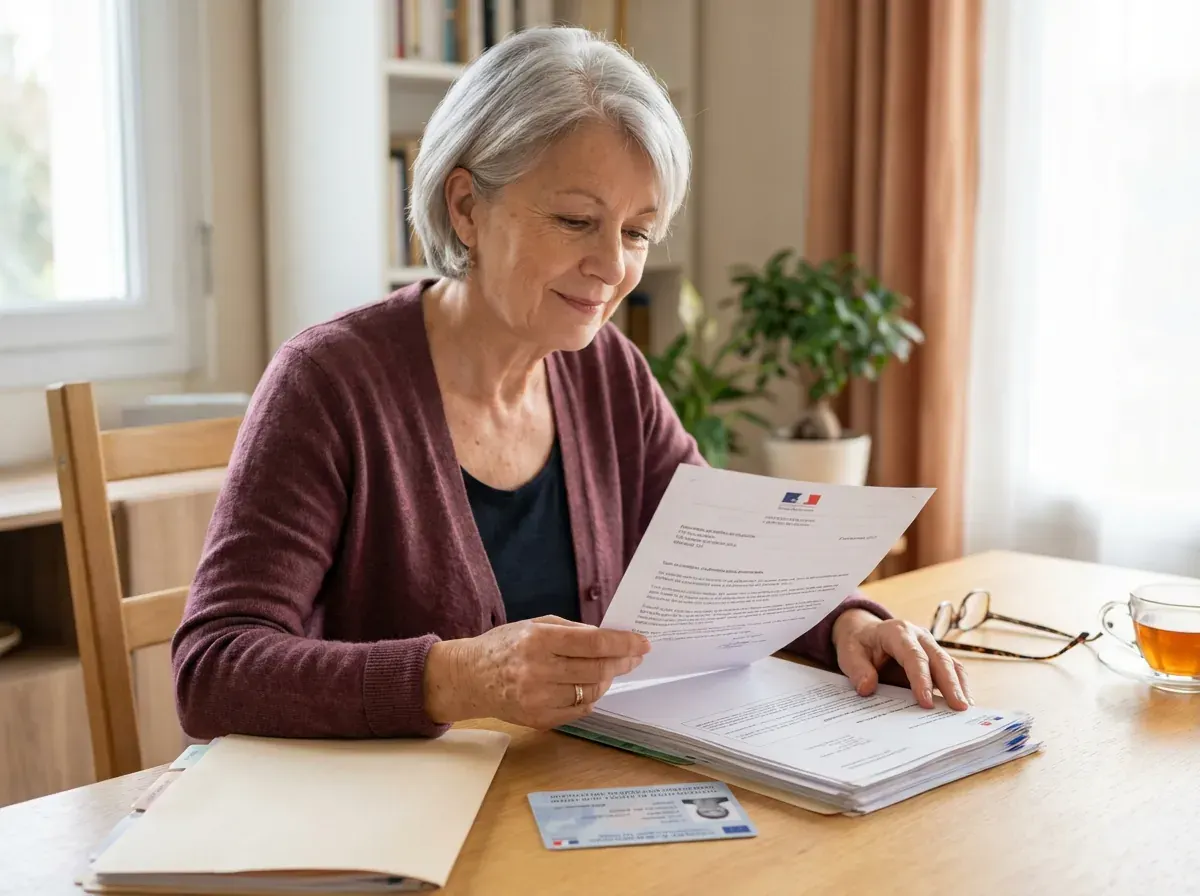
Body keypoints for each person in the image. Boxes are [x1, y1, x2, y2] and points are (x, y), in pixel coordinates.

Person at [171, 26, 971, 742]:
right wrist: (458, 677)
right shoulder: (328, 383)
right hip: (393, 835)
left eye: (636, 232)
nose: (613, 266)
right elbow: (213, 669)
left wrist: (846, 624)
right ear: (465, 207)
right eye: (576, 221)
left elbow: (724, 560)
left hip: (563, 800)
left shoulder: (607, 369)